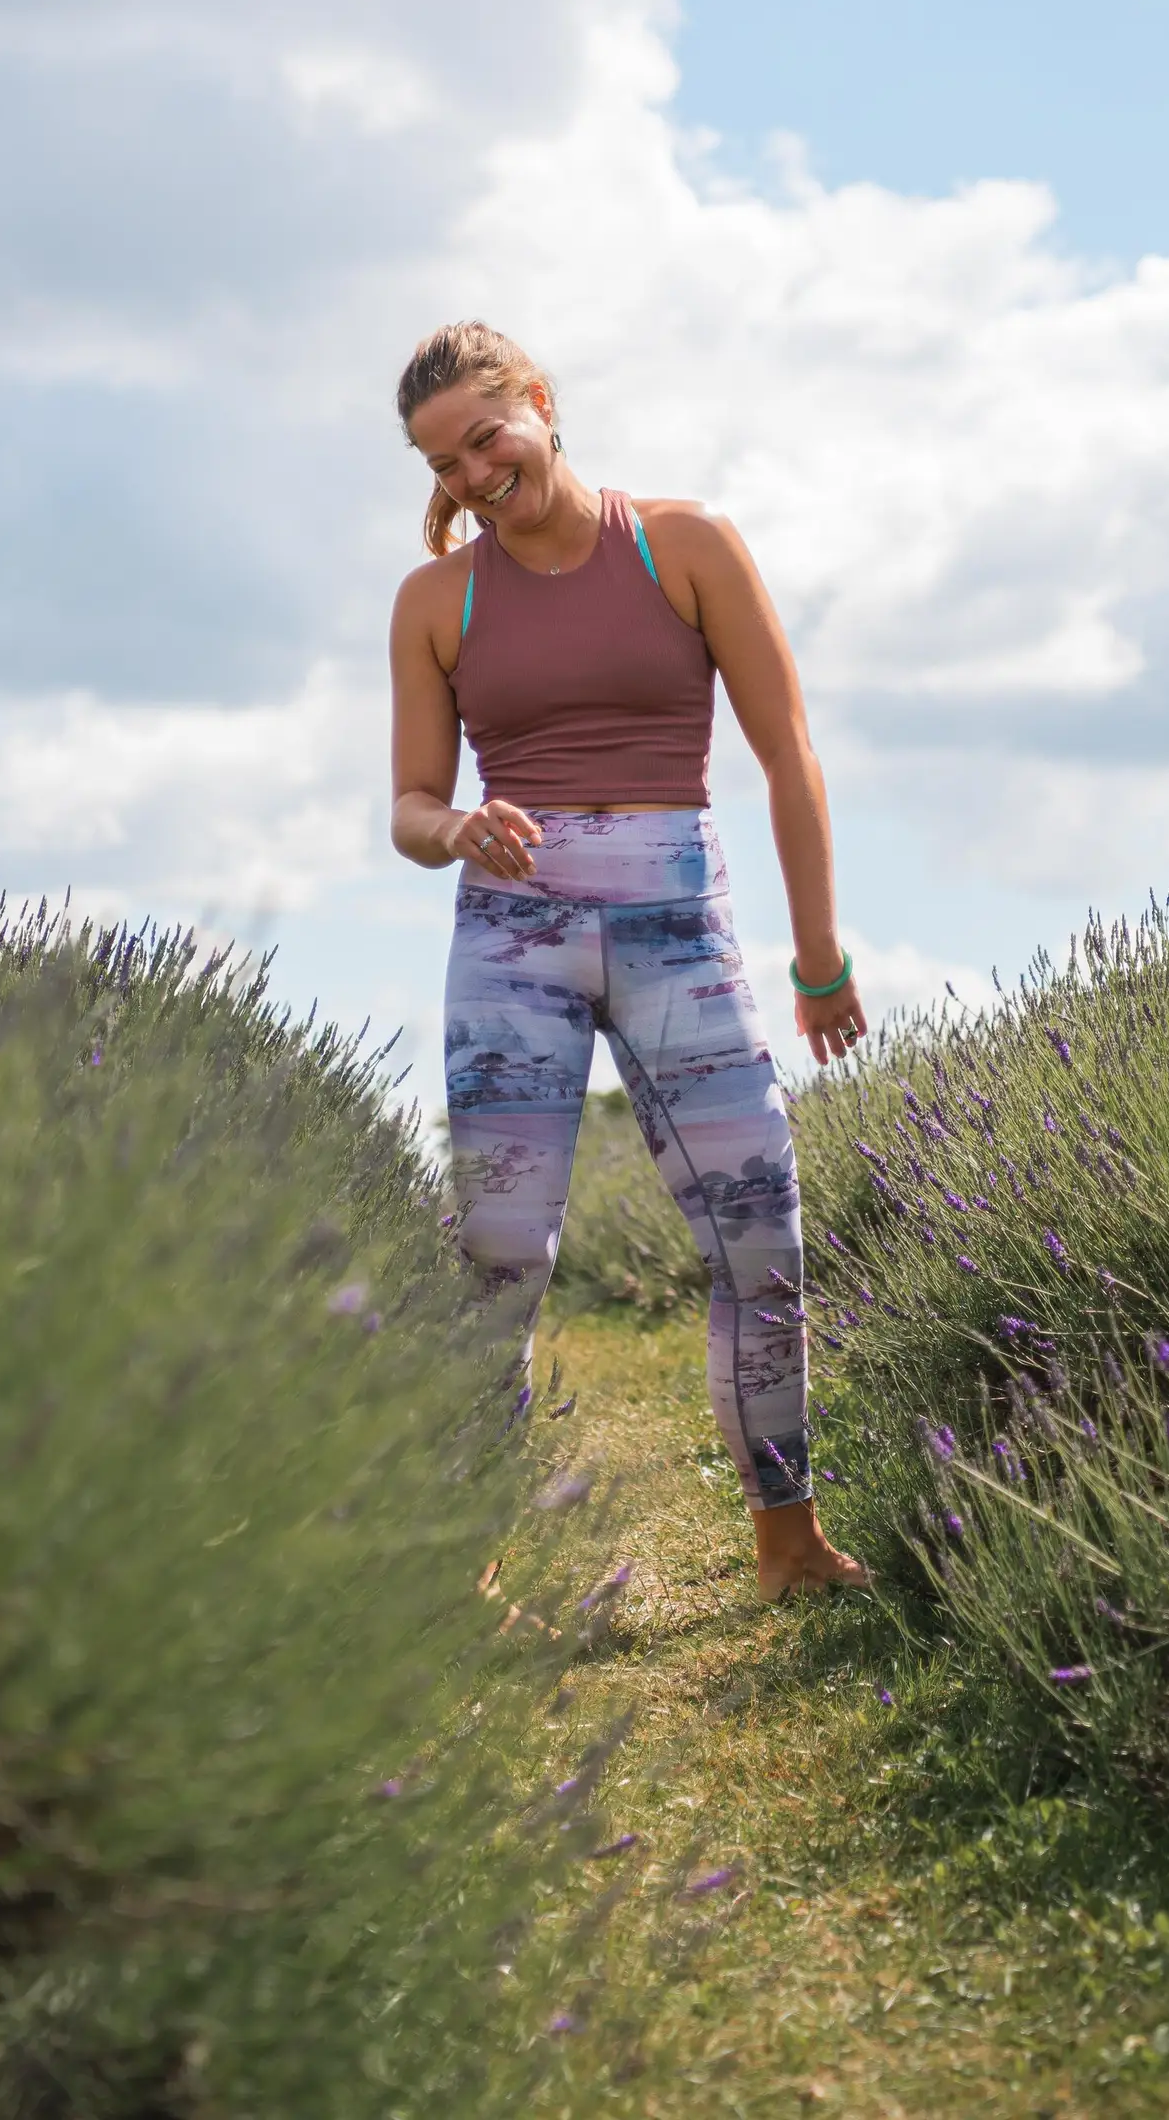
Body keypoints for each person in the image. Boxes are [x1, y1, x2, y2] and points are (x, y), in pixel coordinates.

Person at [386, 320, 870, 1601]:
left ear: (539, 402)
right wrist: (456, 827)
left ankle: (788, 1545)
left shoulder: (682, 544)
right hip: (511, 948)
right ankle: (469, 1576)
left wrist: (817, 955)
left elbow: (788, 756)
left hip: (677, 931)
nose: (473, 474)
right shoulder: (435, 602)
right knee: (496, 1258)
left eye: (485, 436)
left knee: (760, 1234)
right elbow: (408, 808)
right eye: (443, 464)